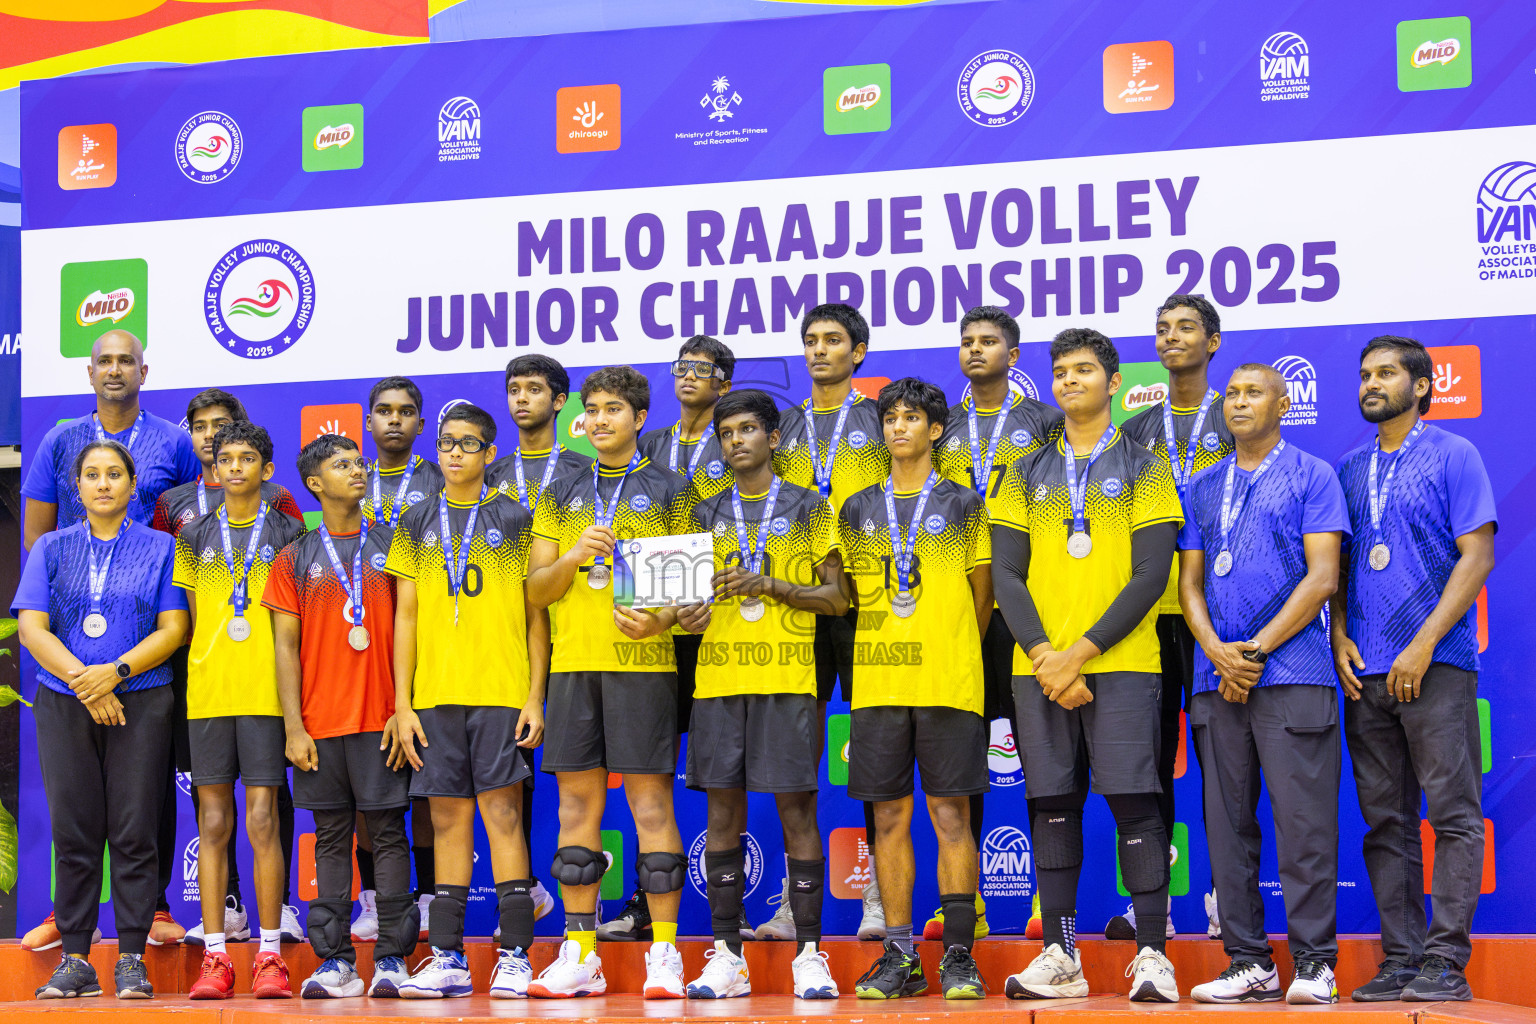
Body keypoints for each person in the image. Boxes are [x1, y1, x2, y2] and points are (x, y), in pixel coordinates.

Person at [992, 328, 1183, 1003]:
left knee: (1136, 803)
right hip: (1039, 667)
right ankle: (1061, 955)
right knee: (1050, 805)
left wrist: (1077, 655)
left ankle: (1154, 955)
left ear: (1113, 382)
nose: (1069, 381)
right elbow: (1006, 576)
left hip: (1122, 663)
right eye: (1061, 372)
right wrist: (1046, 655)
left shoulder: (1146, 466)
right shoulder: (1022, 471)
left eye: (1083, 370)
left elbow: (1150, 576)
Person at [1332, 336, 1496, 1002]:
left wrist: (1424, 643)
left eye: (1386, 373)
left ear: (1423, 385)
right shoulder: (1348, 469)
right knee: (1386, 824)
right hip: (1365, 674)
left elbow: (1477, 557)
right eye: (1365, 375)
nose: (1371, 383)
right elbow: (1334, 568)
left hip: (1437, 665)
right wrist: (1338, 635)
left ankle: (1445, 964)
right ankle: (1402, 960)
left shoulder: (1456, 454)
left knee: (1453, 815)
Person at [1177, 365, 1348, 1004]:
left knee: (1304, 827)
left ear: (1282, 405)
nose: (1240, 402)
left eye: (1255, 393)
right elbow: (1189, 583)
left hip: (1293, 677)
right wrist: (1217, 652)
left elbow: (1323, 577)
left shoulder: (1313, 474)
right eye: (1233, 394)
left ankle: (1316, 964)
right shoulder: (1203, 485)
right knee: (1226, 831)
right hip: (1215, 679)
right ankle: (1248, 961)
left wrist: (1254, 651)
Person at [526, 366, 693, 999]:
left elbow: (687, 599)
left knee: (651, 807)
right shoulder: (560, 489)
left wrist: (658, 621)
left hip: (643, 668)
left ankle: (664, 954)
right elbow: (536, 592)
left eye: (613, 409)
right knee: (575, 810)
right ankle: (580, 953)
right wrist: (573, 556)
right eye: (591, 409)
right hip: (573, 668)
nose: (598, 420)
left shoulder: (670, 487)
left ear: (639, 418)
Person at [673, 388, 846, 1000]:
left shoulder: (810, 506)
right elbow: (680, 607)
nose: (736, 441)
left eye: (747, 429)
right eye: (726, 433)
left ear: (773, 438)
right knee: (722, 816)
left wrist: (769, 585)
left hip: (787, 680)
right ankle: (727, 956)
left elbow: (838, 599)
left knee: (798, 812)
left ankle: (810, 955)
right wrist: (685, 616)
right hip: (719, 682)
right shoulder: (702, 513)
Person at [383, 403, 549, 999]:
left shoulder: (517, 516)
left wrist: (535, 695)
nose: (455, 453)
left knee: (503, 818)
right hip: (434, 697)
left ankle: (515, 956)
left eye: (469, 443)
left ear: (489, 452)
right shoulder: (415, 520)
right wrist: (403, 703)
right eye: (447, 443)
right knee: (448, 822)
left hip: (500, 692)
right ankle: (448, 958)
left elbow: (536, 614)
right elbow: (405, 615)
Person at [14, 441, 189, 999]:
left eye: (115, 474)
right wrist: (85, 683)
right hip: (65, 701)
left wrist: (114, 673)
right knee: (75, 831)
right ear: (77, 487)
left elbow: (174, 629)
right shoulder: (51, 547)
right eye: (92, 474)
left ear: (133, 486)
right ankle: (76, 959)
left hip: (141, 700)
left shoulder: (162, 546)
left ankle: (132, 957)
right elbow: (32, 628)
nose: (103, 483)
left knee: (136, 829)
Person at [836, 377, 992, 1001]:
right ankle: (899, 955)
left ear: (936, 429)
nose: (899, 427)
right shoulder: (856, 509)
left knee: (951, 815)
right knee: (888, 817)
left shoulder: (965, 503)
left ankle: (958, 955)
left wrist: (948, 649)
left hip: (948, 681)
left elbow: (983, 597)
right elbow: (851, 595)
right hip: (879, 683)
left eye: (911, 418)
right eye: (890, 418)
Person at [265, 434, 418, 999]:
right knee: (330, 837)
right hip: (319, 723)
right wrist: (293, 727)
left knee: (387, 834)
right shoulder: (293, 557)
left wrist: (403, 707)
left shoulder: (394, 544)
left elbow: (412, 629)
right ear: (314, 483)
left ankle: (393, 960)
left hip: (383, 720)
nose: (357, 470)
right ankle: (335, 964)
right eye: (341, 464)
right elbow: (285, 649)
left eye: (358, 462)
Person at [928, 304, 1061, 944]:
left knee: (1041, 752)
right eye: (967, 341)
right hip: (959, 607)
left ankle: (1045, 896)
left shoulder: (1045, 422)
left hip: (1026, 605)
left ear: (1014, 355)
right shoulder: (941, 427)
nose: (975, 349)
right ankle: (969, 902)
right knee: (960, 756)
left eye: (988, 341)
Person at [152, 387, 302, 949]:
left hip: (266, 694)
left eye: (246, 458)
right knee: (212, 820)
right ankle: (217, 950)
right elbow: (194, 620)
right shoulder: (190, 534)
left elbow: (292, 624)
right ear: (212, 467)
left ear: (266, 468)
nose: (234, 467)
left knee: (263, 817)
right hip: (210, 693)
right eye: (225, 459)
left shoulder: (289, 533)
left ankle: (270, 946)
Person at [604, 337, 742, 943]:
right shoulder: (650, 443)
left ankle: (734, 913)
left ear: (724, 383)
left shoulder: (736, 439)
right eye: (681, 366)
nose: (688, 376)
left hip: (717, 618)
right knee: (647, 774)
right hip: (655, 626)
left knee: (725, 772)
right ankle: (644, 901)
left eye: (702, 369)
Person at [773, 303, 891, 941]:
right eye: (811, 340)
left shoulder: (883, 418)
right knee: (796, 756)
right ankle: (796, 903)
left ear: (859, 351)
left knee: (874, 751)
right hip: (799, 603)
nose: (820, 350)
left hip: (869, 601)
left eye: (834, 340)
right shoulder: (782, 427)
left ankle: (878, 895)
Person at [1118, 293, 1233, 941]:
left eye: (1186, 328)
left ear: (1212, 342)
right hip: (1151, 615)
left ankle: (1227, 901)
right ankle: (1151, 906)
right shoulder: (1135, 431)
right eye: (1162, 329)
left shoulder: (1236, 415)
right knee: (1150, 763)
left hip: (1220, 615)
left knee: (1224, 763)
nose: (1171, 337)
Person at [483, 354, 584, 935]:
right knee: (507, 775)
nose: (522, 398)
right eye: (514, 389)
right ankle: (522, 892)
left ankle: (587, 913)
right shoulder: (488, 473)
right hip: (501, 632)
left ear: (559, 400)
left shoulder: (582, 471)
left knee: (579, 782)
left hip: (569, 631)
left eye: (535, 389)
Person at [355, 375, 443, 941]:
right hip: (358, 642)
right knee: (365, 782)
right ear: (369, 421)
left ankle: (431, 896)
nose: (394, 419)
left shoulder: (441, 479)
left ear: (420, 423)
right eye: (384, 411)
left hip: (424, 638)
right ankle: (371, 900)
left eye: (406, 411)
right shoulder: (348, 476)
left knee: (428, 782)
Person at [22, 329, 199, 551]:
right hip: (76, 573)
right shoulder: (58, 441)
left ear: (143, 373)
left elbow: (195, 531)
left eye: (125, 361)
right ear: (91, 374)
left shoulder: (176, 441)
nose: (114, 371)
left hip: (151, 572)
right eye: (104, 361)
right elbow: (35, 538)